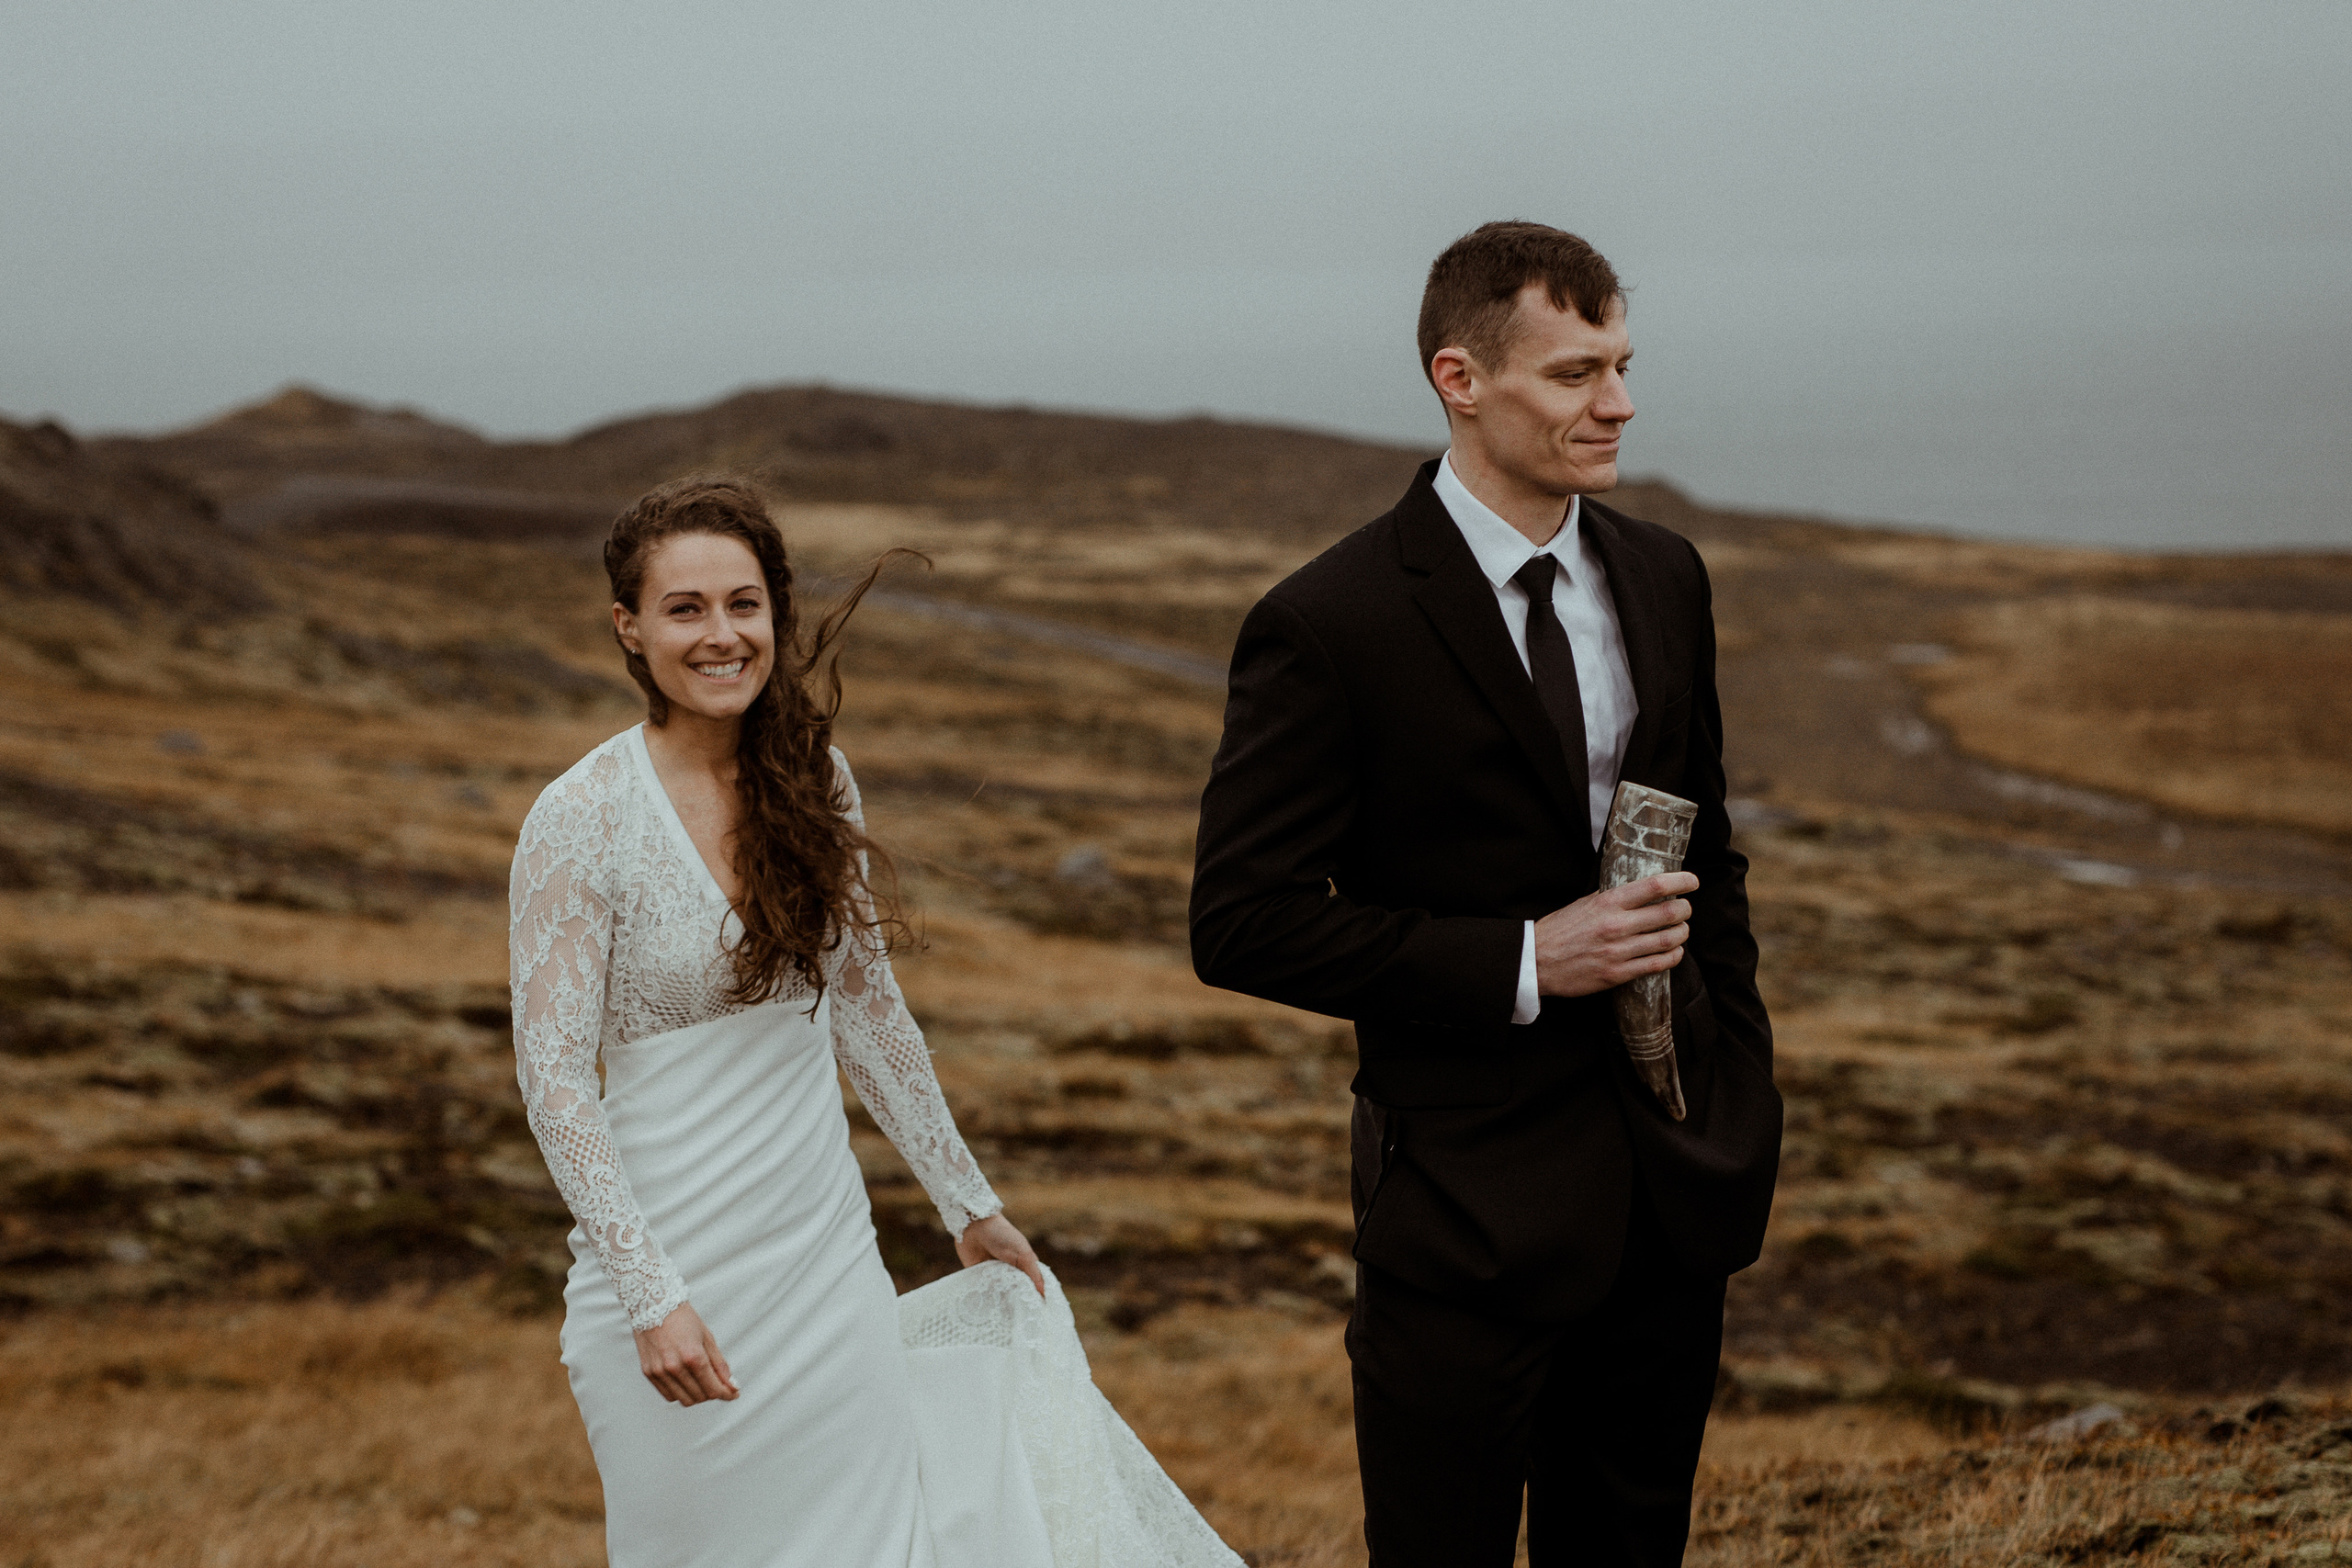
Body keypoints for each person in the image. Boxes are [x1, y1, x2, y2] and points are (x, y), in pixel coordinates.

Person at [510, 476, 1240, 1567]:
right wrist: (652, 1295)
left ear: (777, 615)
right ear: (629, 627)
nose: (722, 636)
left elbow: (866, 1009)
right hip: (660, 1283)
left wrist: (968, 1203)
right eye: (686, 608)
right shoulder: (579, 818)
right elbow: (556, 1078)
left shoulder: (816, 782)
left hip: (822, 1275)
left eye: (744, 605)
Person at [1189, 221, 1781, 1566]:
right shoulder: (1328, 620)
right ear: (1460, 378)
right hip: (1457, 1212)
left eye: (1622, 364)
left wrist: (1736, 1090)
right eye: (1576, 373)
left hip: (1669, 1192)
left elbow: (1710, 851)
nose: (1618, 402)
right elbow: (1239, 918)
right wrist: (1525, 958)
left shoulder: (1664, 575)